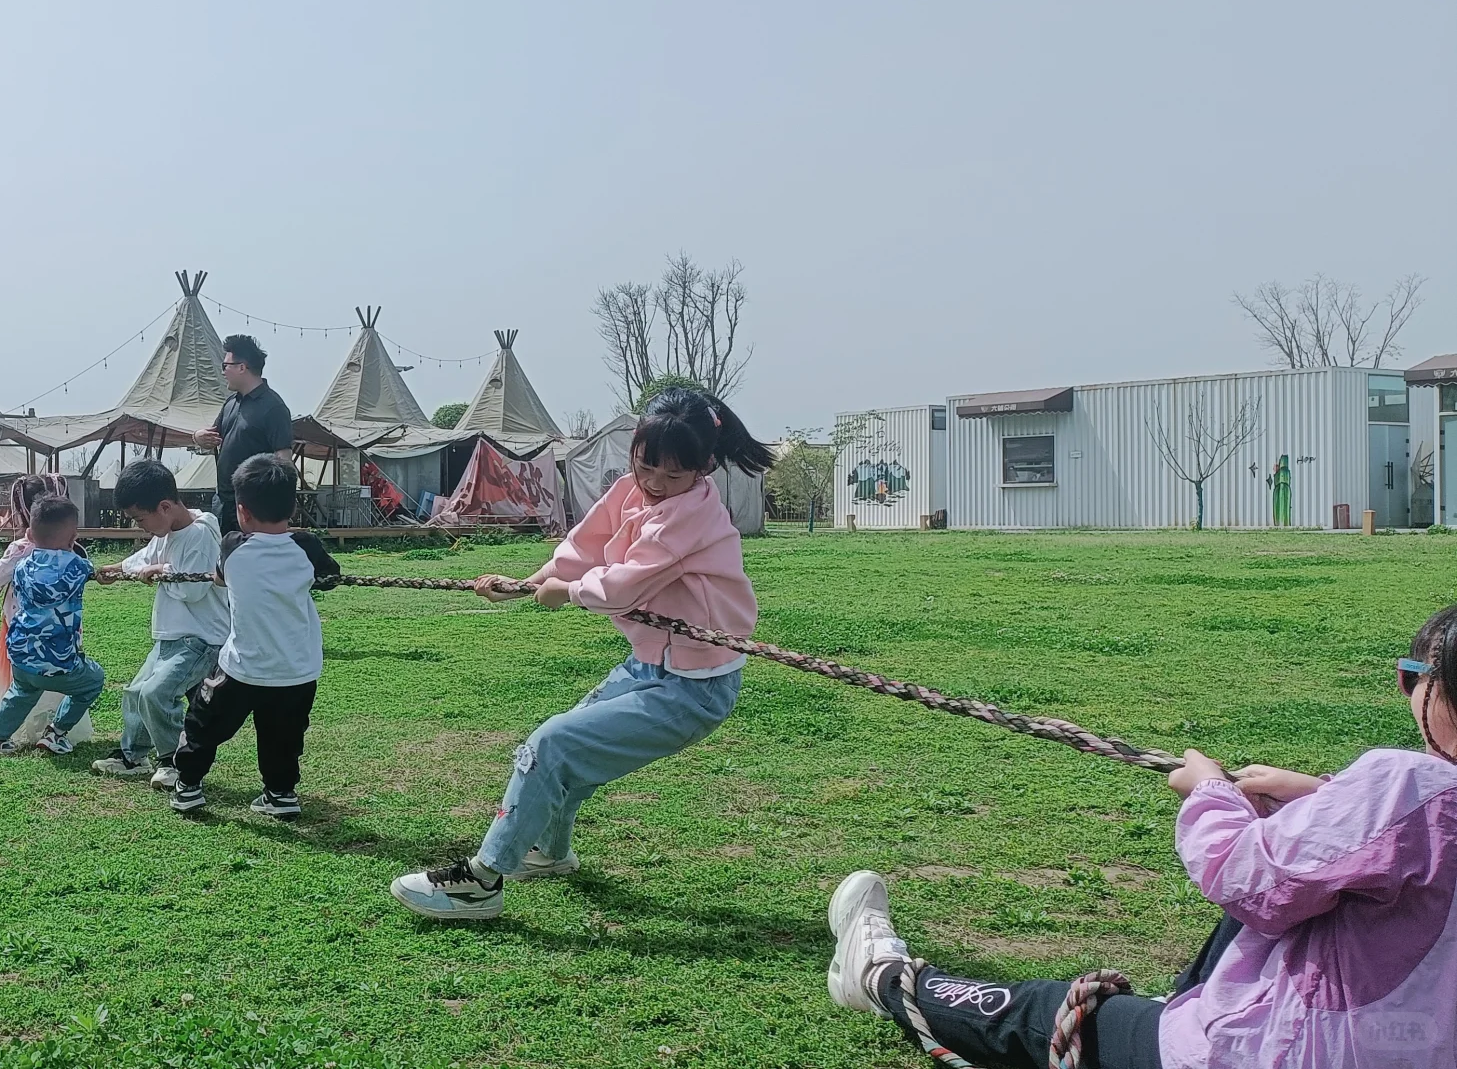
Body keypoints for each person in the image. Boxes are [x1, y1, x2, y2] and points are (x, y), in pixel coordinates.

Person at [825, 604, 1457, 1069]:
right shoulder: (1418, 804)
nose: (1407, 694)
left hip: (1284, 1052)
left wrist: (1210, 792)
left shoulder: (1410, 784)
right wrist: (1324, 799)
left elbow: (1251, 879)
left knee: (1042, 1014)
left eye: (1412, 678)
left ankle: (877, 975)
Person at [390, 388, 777, 918]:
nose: (657, 486)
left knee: (550, 745)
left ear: (703, 468)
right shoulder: (628, 492)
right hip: (650, 666)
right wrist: (526, 584)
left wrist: (566, 593)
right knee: (566, 748)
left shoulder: (692, 516)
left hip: (695, 688)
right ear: (634, 454)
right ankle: (549, 852)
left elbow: (619, 585)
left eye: (674, 475)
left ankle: (482, 881)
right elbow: (580, 552)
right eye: (647, 469)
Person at [170, 454, 339, 817]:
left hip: (241, 669)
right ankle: (280, 794)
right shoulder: (306, 547)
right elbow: (330, 577)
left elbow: (220, 578)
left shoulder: (234, 545)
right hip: (298, 671)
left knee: (203, 722)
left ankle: (187, 786)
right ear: (293, 506)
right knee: (284, 737)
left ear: (242, 511)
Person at [91, 461, 228, 788]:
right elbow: (145, 559)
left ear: (165, 506)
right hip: (171, 635)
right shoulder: (168, 532)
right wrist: (118, 568)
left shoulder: (199, 534)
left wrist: (162, 571)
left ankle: (175, 762)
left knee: (155, 693)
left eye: (141, 519)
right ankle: (133, 756)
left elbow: (193, 589)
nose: (141, 527)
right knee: (136, 692)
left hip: (200, 638)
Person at [0, 495, 104, 756]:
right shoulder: (79, 567)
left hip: (21, 654)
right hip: (59, 660)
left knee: (22, 690)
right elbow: (96, 573)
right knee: (93, 681)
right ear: (73, 538)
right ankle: (55, 733)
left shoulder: (22, 565)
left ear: (30, 534)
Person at [194, 334, 294, 535]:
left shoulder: (274, 407)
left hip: (256, 506)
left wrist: (284, 506)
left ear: (242, 367)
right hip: (223, 501)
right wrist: (198, 437)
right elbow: (211, 437)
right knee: (222, 561)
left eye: (225, 366)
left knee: (253, 561)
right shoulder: (231, 402)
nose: (223, 372)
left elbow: (284, 461)